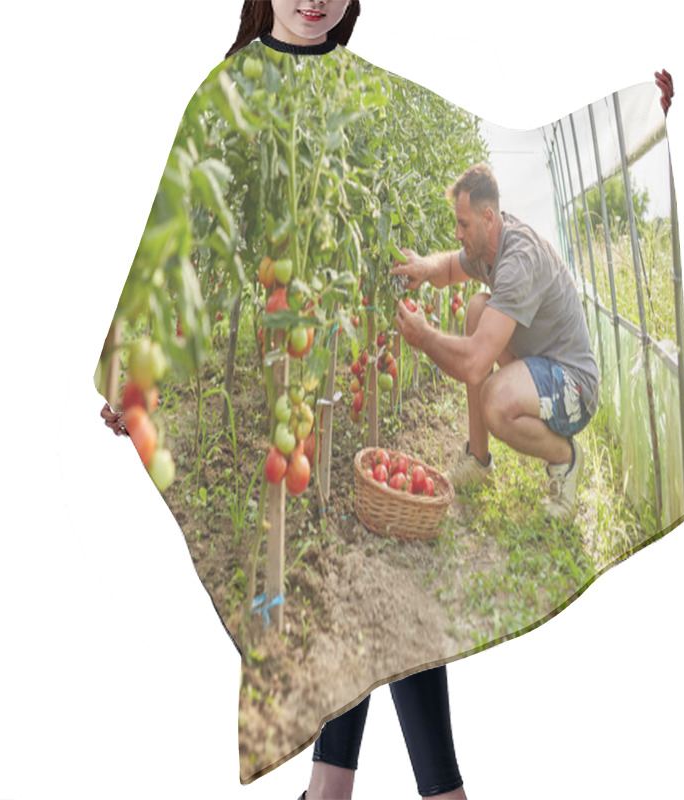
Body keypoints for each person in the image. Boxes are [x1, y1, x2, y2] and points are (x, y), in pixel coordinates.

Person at [226, 4, 468, 799]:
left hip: (326, 370)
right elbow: (188, 242)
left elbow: (475, 178)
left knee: (365, 590)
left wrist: (640, 114)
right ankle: (396, 790)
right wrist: (132, 381)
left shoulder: (362, 89)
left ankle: (336, 789)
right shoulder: (232, 91)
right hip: (280, 377)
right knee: (346, 593)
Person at [392, 163, 600, 522]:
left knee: (496, 401)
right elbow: (448, 270)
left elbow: (474, 363)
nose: (457, 234)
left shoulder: (518, 259)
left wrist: (424, 337)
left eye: (463, 224)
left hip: (573, 387)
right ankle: (478, 460)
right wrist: (425, 266)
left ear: (488, 217)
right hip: (541, 368)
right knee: (477, 307)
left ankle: (565, 458)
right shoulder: (488, 248)